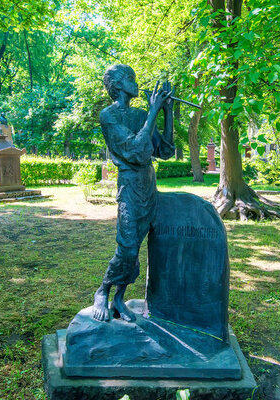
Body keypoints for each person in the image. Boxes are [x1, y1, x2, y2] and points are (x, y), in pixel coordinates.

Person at [90, 64, 175, 322]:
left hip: (149, 185)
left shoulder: (140, 115)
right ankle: (103, 290)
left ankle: (118, 298)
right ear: (117, 85)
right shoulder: (108, 116)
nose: (135, 81)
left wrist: (167, 113)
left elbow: (166, 151)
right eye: (130, 78)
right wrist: (153, 111)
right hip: (129, 186)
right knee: (126, 247)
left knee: (136, 247)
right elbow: (136, 151)